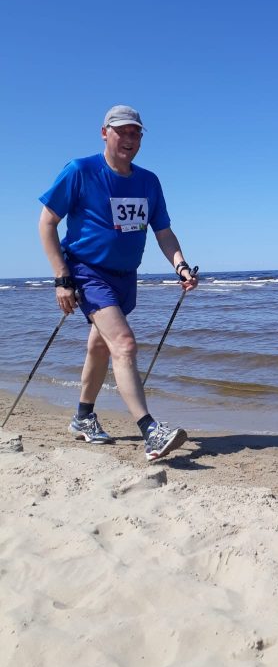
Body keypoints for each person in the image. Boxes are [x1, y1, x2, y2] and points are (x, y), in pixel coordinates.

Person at [38, 105, 198, 462]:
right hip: (87, 272)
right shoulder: (80, 170)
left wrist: (181, 266)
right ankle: (150, 431)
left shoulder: (148, 181)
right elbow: (46, 222)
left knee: (100, 347)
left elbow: (163, 232)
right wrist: (62, 278)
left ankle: (83, 417)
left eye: (135, 133)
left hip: (125, 278)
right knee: (124, 344)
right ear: (104, 133)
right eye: (121, 131)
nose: (129, 138)